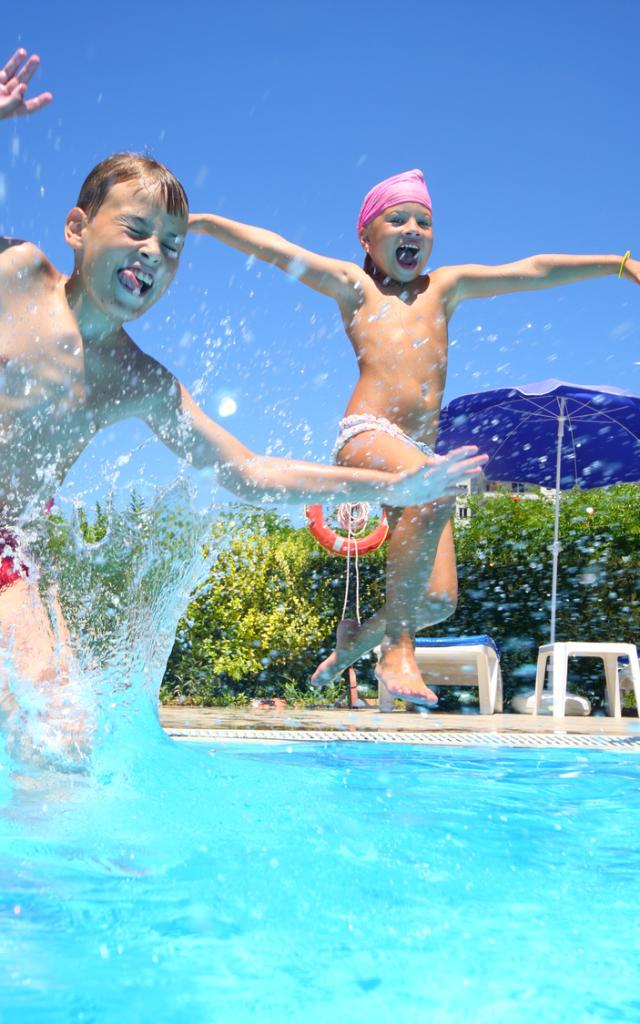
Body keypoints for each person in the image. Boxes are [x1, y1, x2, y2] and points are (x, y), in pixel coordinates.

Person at [0, 49, 487, 729]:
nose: (153, 252)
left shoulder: (140, 381)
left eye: (172, 246)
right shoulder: (17, 275)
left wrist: (390, 490)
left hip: (6, 550)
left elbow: (249, 472)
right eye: (136, 230)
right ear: (78, 228)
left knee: (60, 727)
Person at [189, 169, 639, 711]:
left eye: (424, 221)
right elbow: (278, 249)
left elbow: (530, 270)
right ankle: (396, 648)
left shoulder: (444, 289)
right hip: (368, 434)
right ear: (366, 236)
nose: (413, 229)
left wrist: (615, 264)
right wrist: (207, 224)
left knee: (438, 600)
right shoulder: (355, 288)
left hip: (419, 455)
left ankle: (358, 637)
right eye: (397, 218)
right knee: (429, 490)